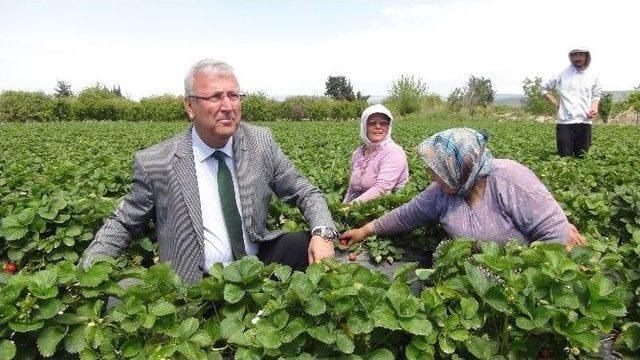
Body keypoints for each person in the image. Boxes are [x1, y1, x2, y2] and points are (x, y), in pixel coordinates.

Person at [83, 59, 338, 283]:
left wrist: (323, 233)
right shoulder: (157, 162)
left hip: (255, 264)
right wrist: (86, 273)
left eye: (233, 95)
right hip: (199, 280)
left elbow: (304, 191)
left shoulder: (260, 142)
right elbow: (125, 223)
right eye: (215, 97)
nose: (227, 106)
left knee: (306, 245)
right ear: (190, 106)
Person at [340, 128, 585, 250]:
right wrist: (364, 230)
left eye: (436, 168)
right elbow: (406, 215)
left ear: (459, 165)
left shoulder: (509, 178)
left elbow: (557, 238)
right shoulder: (442, 191)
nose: (431, 176)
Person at [343, 104, 409, 203]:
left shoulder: (394, 153)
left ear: (388, 127)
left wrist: (349, 208)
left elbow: (382, 189)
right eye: (372, 123)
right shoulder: (358, 153)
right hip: (358, 209)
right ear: (364, 126)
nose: (378, 127)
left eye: (383, 123)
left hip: (386, 209)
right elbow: (352, 189)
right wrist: (343, 205)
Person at [543, 47, 601, 158]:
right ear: (571, 57)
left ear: (587, 57)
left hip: (585, 121)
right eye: (575, 55)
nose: (577, 58)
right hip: (565, 123)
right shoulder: (562, 73)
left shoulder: (593, 75)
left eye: (581, 55)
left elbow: (596, 94)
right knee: (565, 158)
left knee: (583, 158)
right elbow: (543, 88)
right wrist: (556, 103)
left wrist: (594, 107)